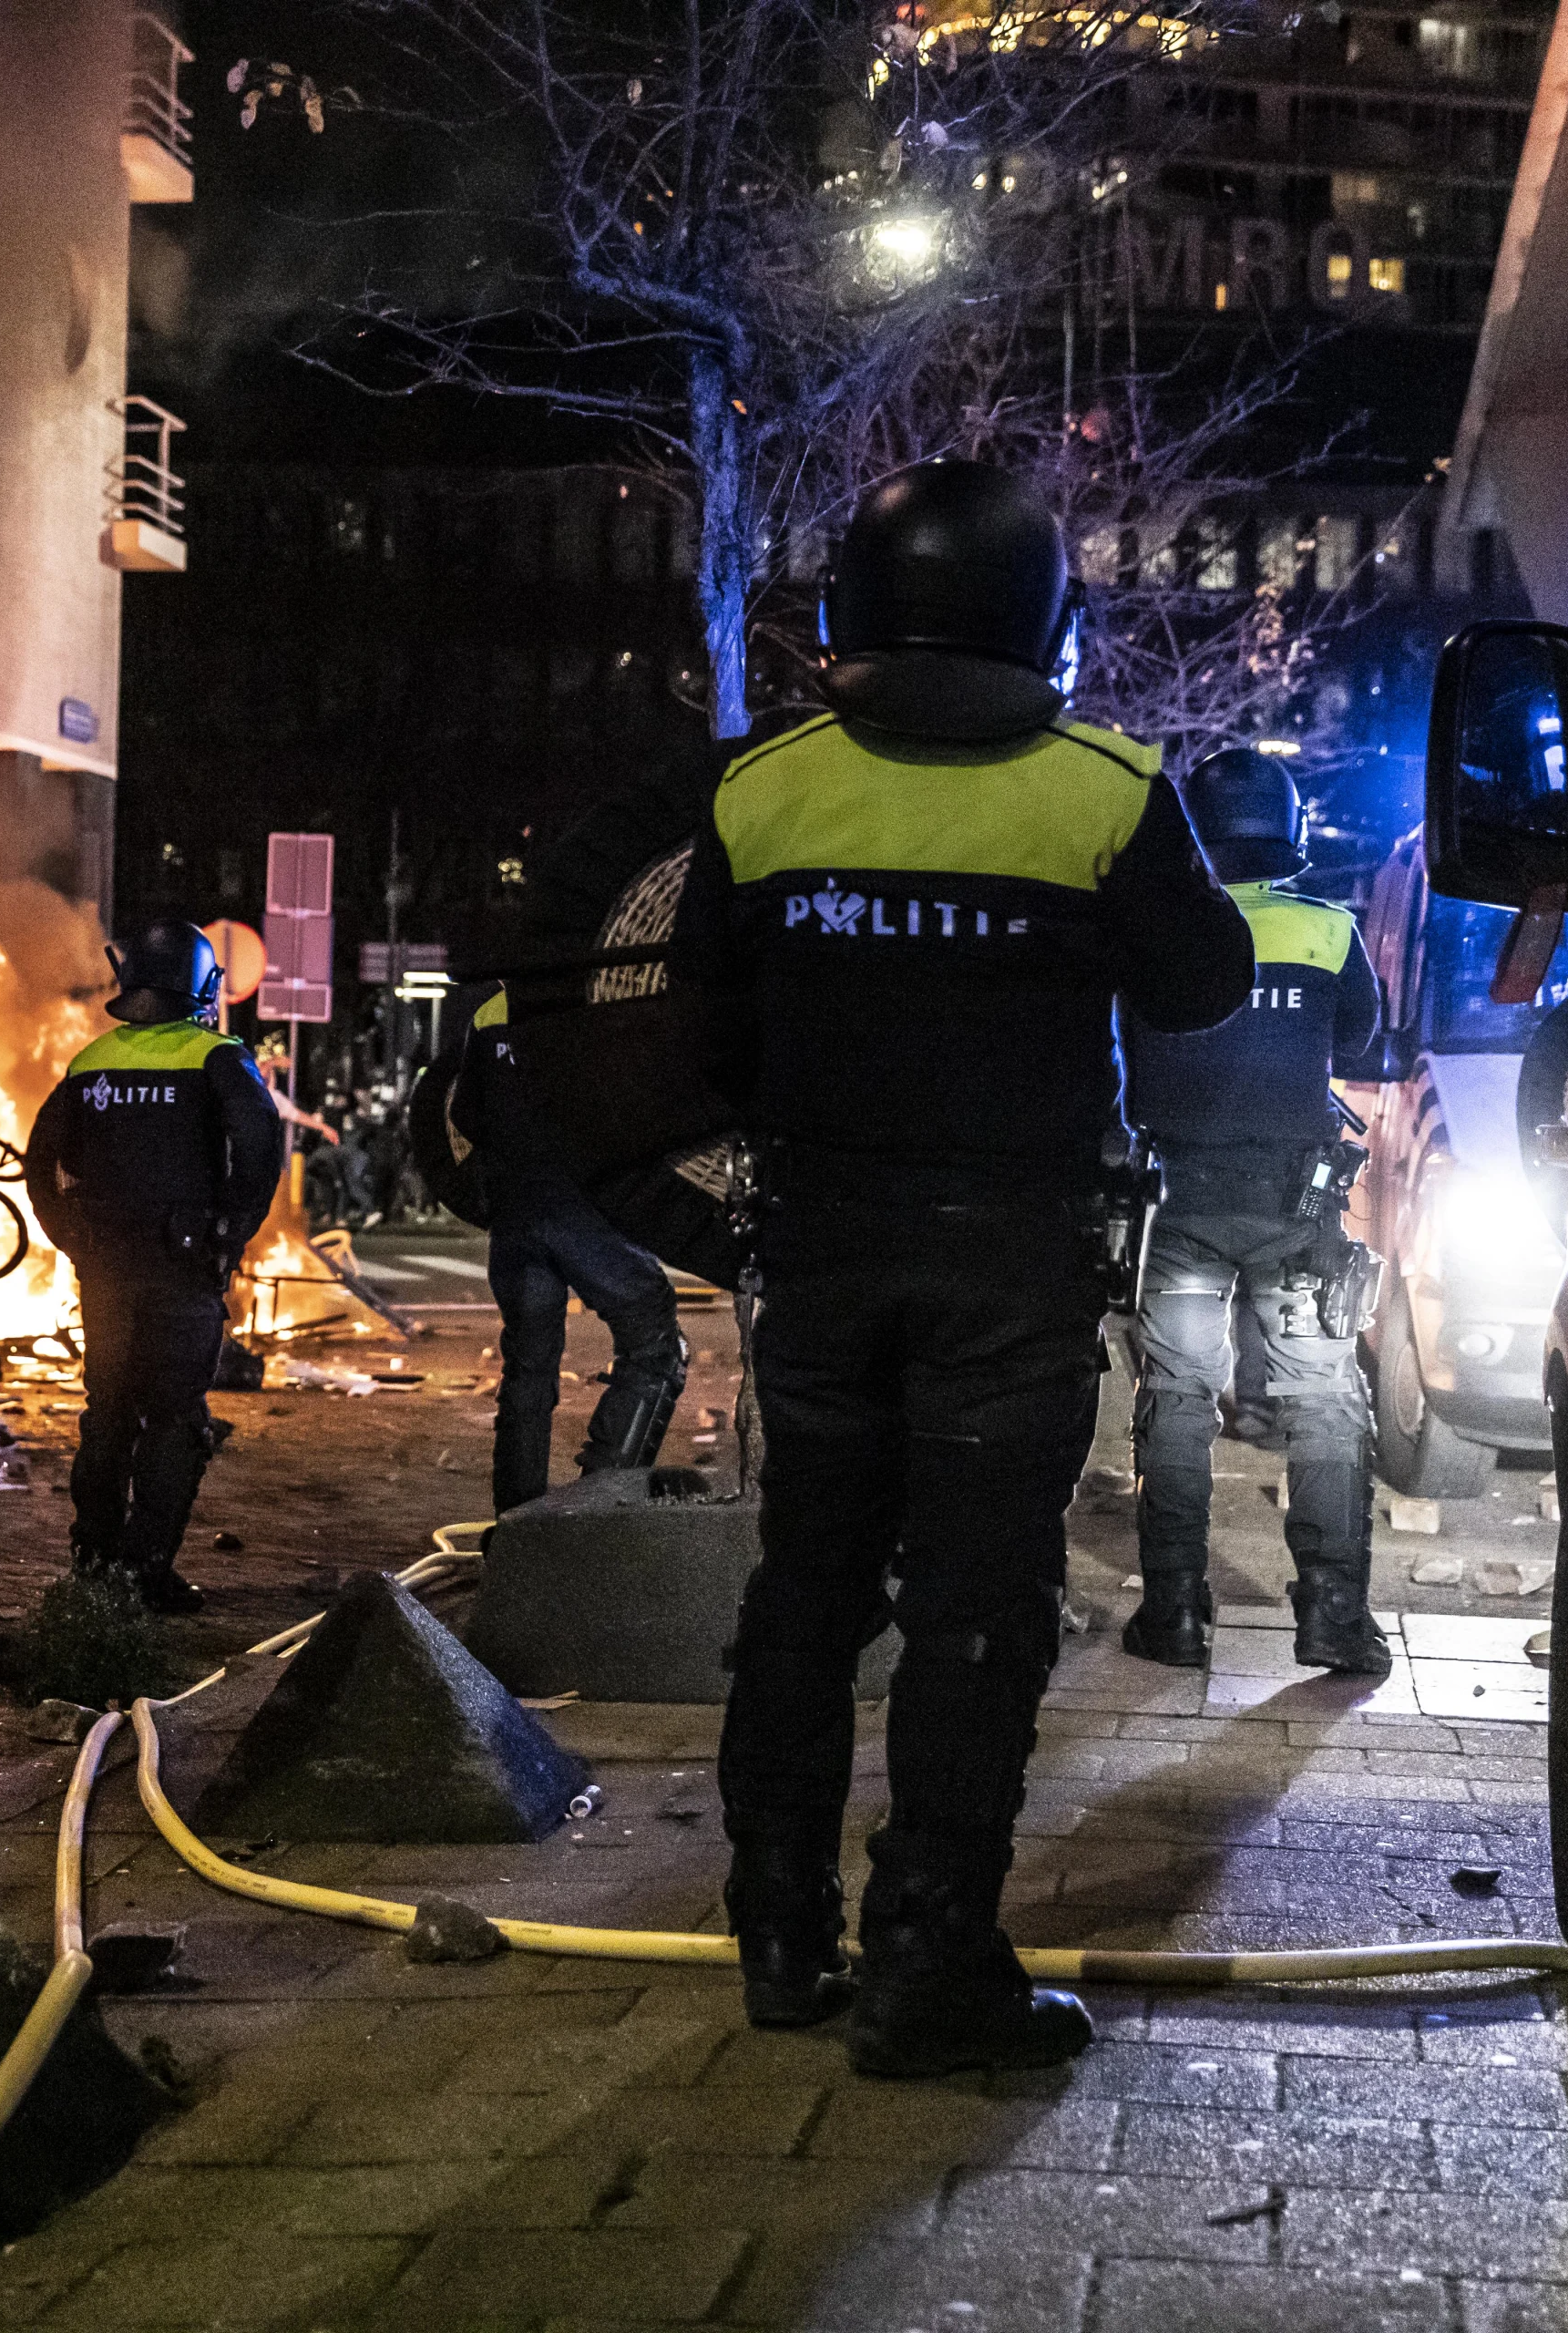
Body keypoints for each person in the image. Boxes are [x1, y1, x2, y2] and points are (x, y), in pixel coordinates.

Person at [674, 463, 1252, 2075]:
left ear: (848, 609)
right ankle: (929, 1960)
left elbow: (703, 1032)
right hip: (1011, 1261)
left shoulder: (759, 792)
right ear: (1047, 620)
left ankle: (781, 1937)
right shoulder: (1105, 790)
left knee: (807, 1588)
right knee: (977, 1612)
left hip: (825, 1252)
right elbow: (1201, 988)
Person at [1120, 747, 1395, 1675]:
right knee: (1324, 1403)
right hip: (1296, 1207)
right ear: (1293, 831)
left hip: (1178, 1205)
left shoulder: (1153, 927)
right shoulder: (1327, 928)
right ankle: (1332, 1617)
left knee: (1177, 1402)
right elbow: (1360, 1038)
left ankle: (1174, 1615)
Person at [30, 920, 285, 1612]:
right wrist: (231, 1233)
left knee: (107, 1413)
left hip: (105, 1271)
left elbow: (39, 1166)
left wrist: (71, 1239)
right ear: (200, 982)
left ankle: (93, 1568)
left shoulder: (91, 1062)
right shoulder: (218, 1057)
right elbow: (262, 1148)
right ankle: (145, 1575)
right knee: (175, 1420)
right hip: (182, 1268)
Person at [456, 984, 690, 1510]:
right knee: (656, 1344)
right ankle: (596, 1511)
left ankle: (517, 1526)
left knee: (528, 1370)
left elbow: (466, 1114)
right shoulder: (610, 997)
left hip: (515, 1215)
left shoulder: (492, 1011)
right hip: (584, 1209)